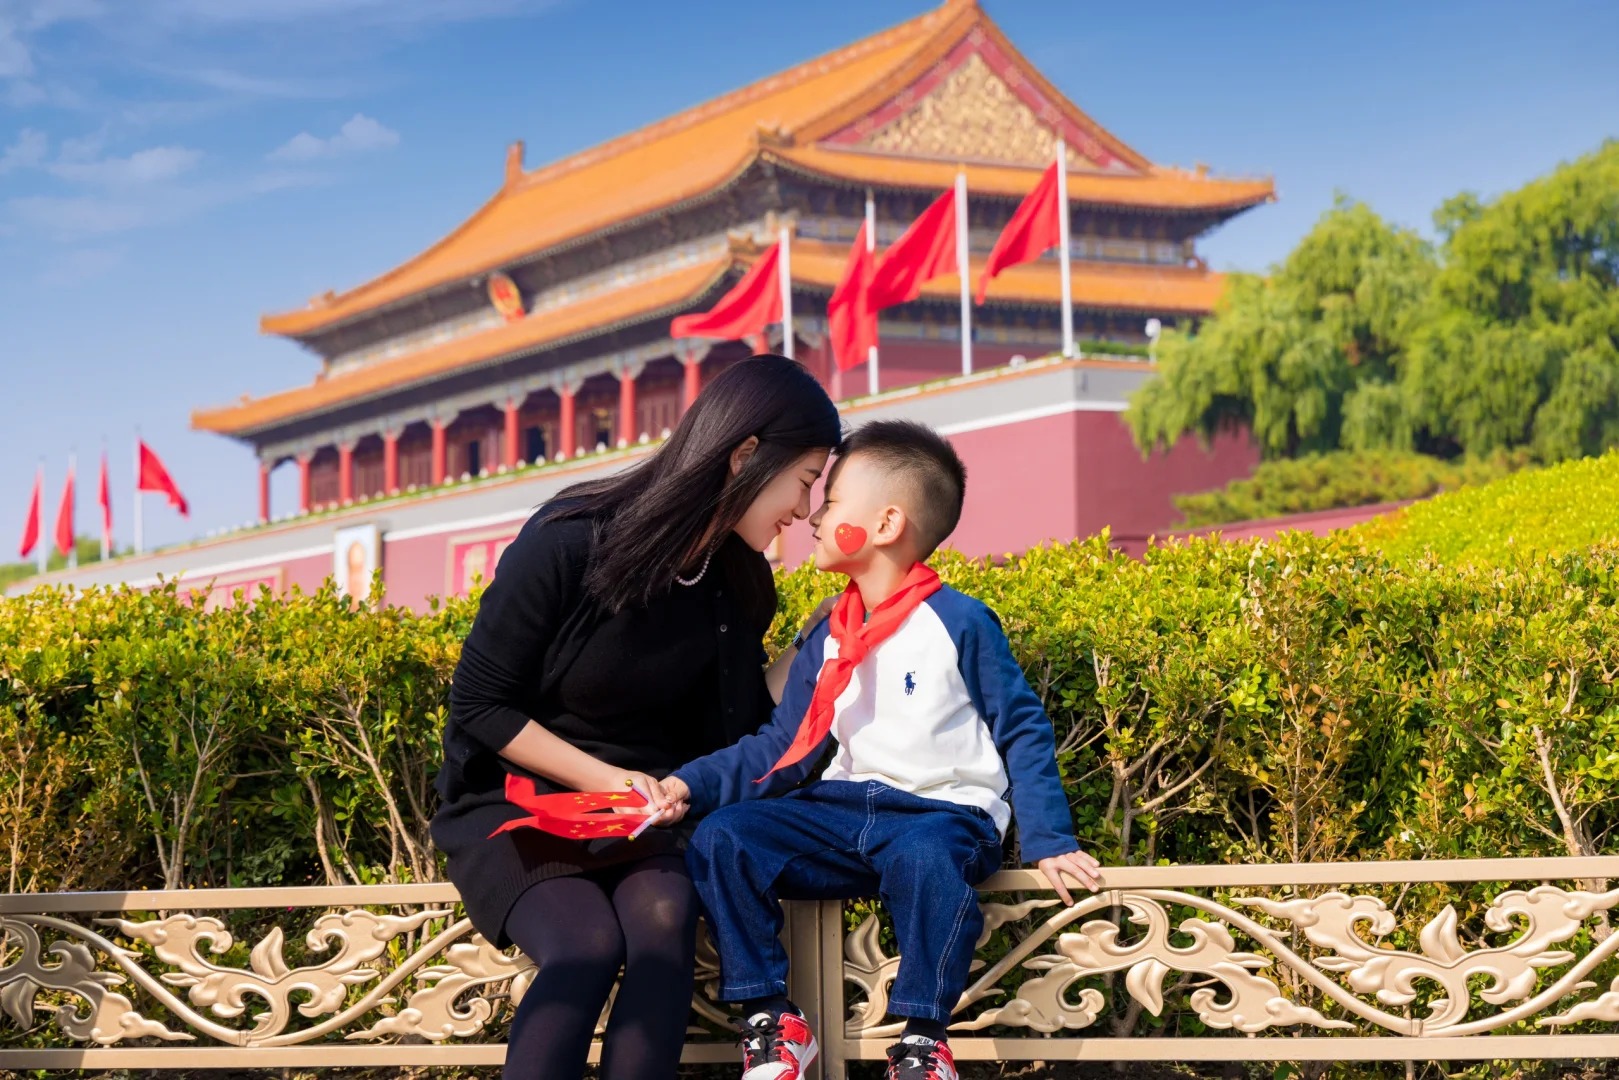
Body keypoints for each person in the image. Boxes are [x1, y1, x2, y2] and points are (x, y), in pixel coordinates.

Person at [431, 355, 843, 1080]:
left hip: (645, 814)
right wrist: (610, 780)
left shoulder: (739, 581)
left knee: (661, 926)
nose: (804, 512)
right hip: (520, 799)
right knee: (585, 944)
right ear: (746, 454)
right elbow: (480, 704)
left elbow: (741, 722)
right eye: (805, 482)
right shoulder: (569, 538)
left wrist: (829, 638)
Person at [658, 420, 1103, 1080]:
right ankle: (772, 1021)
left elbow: (1021, 727)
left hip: (937, 818)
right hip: (836, 815)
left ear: (887, 522)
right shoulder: (829, 634)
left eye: (831, 500)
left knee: (926, 859)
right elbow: (783, 746)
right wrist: (687, 785)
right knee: (725, 836)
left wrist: (1049, 839)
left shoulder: (959, 621)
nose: (812, 516)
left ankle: (923, 1041)